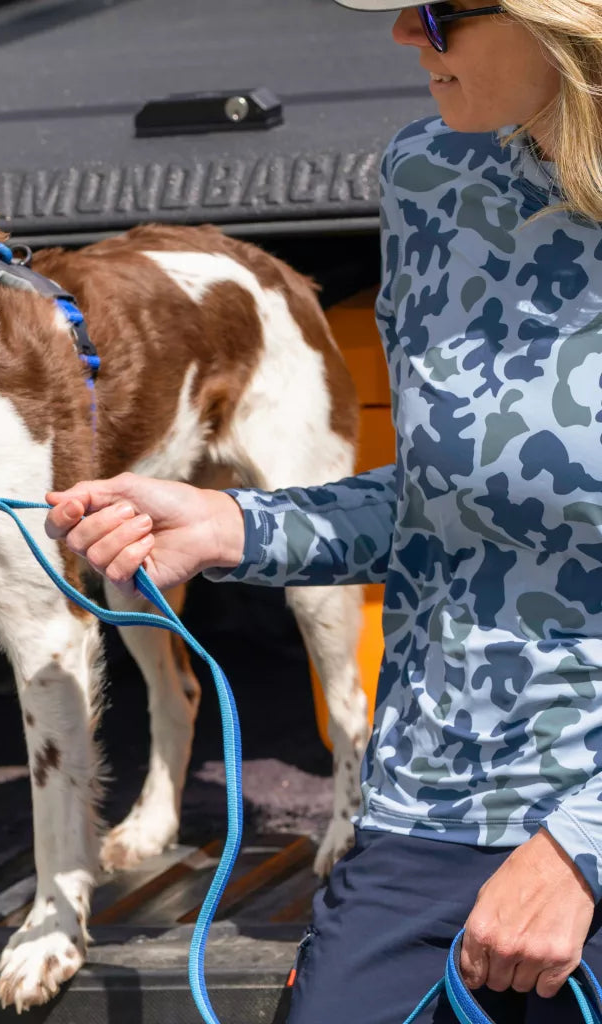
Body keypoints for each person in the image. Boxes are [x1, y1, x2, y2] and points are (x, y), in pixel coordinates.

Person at [44, 2, 602, 1021]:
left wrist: (580, 850)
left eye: (437, 12)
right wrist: (236, 527)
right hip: (430, 799)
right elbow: (459, 498)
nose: (402, 36)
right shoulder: (431, 174)